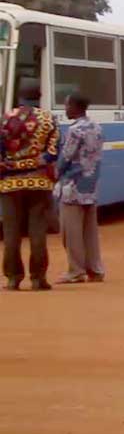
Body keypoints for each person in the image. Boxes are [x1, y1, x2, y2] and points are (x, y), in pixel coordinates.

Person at [1, 80, 59, 291]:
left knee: (11, 233)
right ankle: (37, 278)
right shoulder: (48, 119)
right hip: (39, 183)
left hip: (9, 184)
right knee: (37, 232)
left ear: (19, 96)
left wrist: (12, 165)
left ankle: (13, 278)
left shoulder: (5, 119)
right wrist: (33, 163)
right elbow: (53, 153)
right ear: (39, 96)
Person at [55, 92, 106, 284]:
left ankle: (75, 270)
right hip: (91, 185)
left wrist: (56, 174)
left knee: (71, 231)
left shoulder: (75, 130)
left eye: (67, 105)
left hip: (72, 186)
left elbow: (66, 157)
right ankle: (95, 269)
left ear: (75, 107)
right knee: (90, 231)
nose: (65, 109)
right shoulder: (97, 127)